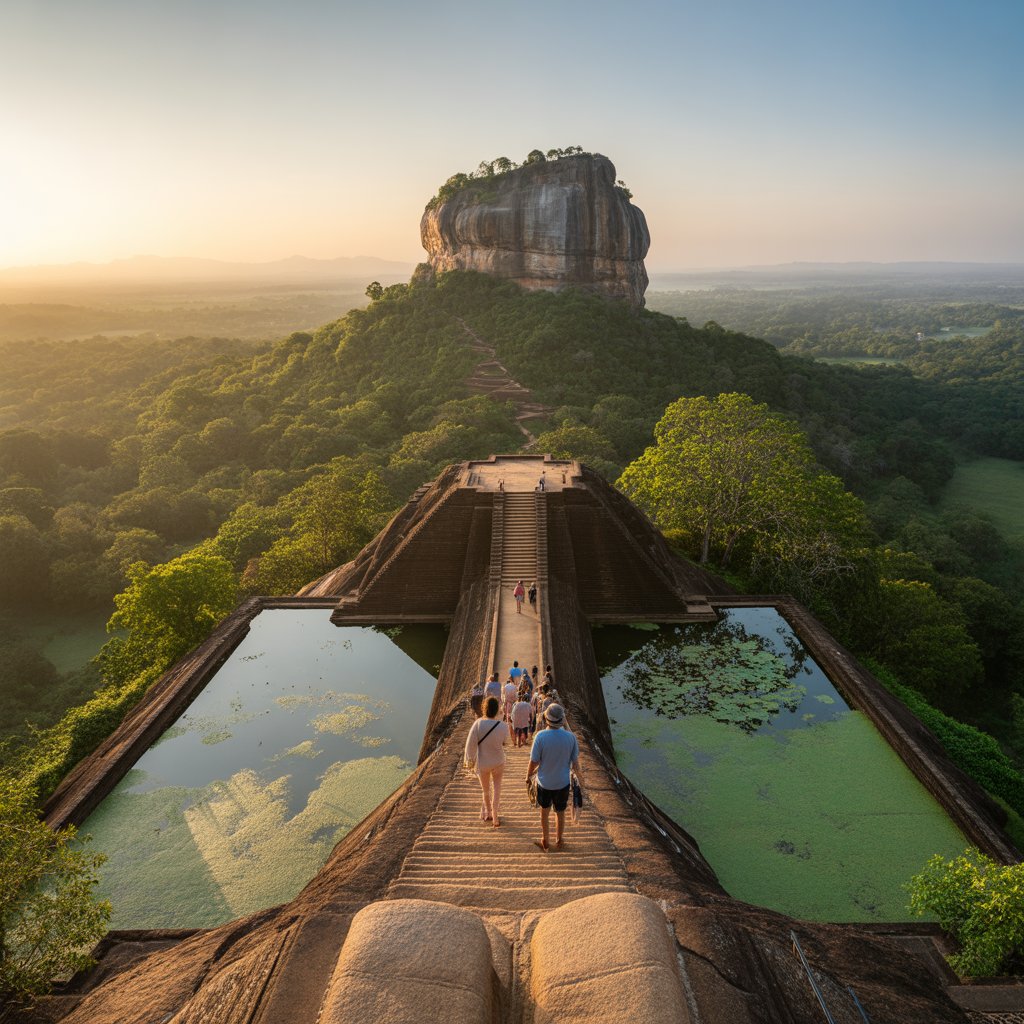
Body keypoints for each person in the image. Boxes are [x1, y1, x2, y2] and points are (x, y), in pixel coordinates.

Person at [526, 703, 580, 851]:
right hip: (563, 782)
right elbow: (576, 764)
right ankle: (559, 840)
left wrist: (528, 775)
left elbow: (534, 761)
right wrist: (580, 782)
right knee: (560, 812)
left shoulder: (540, 736)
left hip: (544, 783)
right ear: (562, 719)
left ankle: (545, 839)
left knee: (544, 812)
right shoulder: (571, 737)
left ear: (546, 718)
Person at [464, 696, 509, 827]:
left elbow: (470, 744)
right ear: (497, 710)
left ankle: (488, 812)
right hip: (498, 761)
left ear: (484, 708)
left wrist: (470, 761)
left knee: (485, 790)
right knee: (497, 788)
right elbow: (505, 742)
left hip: (483, 763)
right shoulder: (503, 726)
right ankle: (495, 816)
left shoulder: (478, 724)